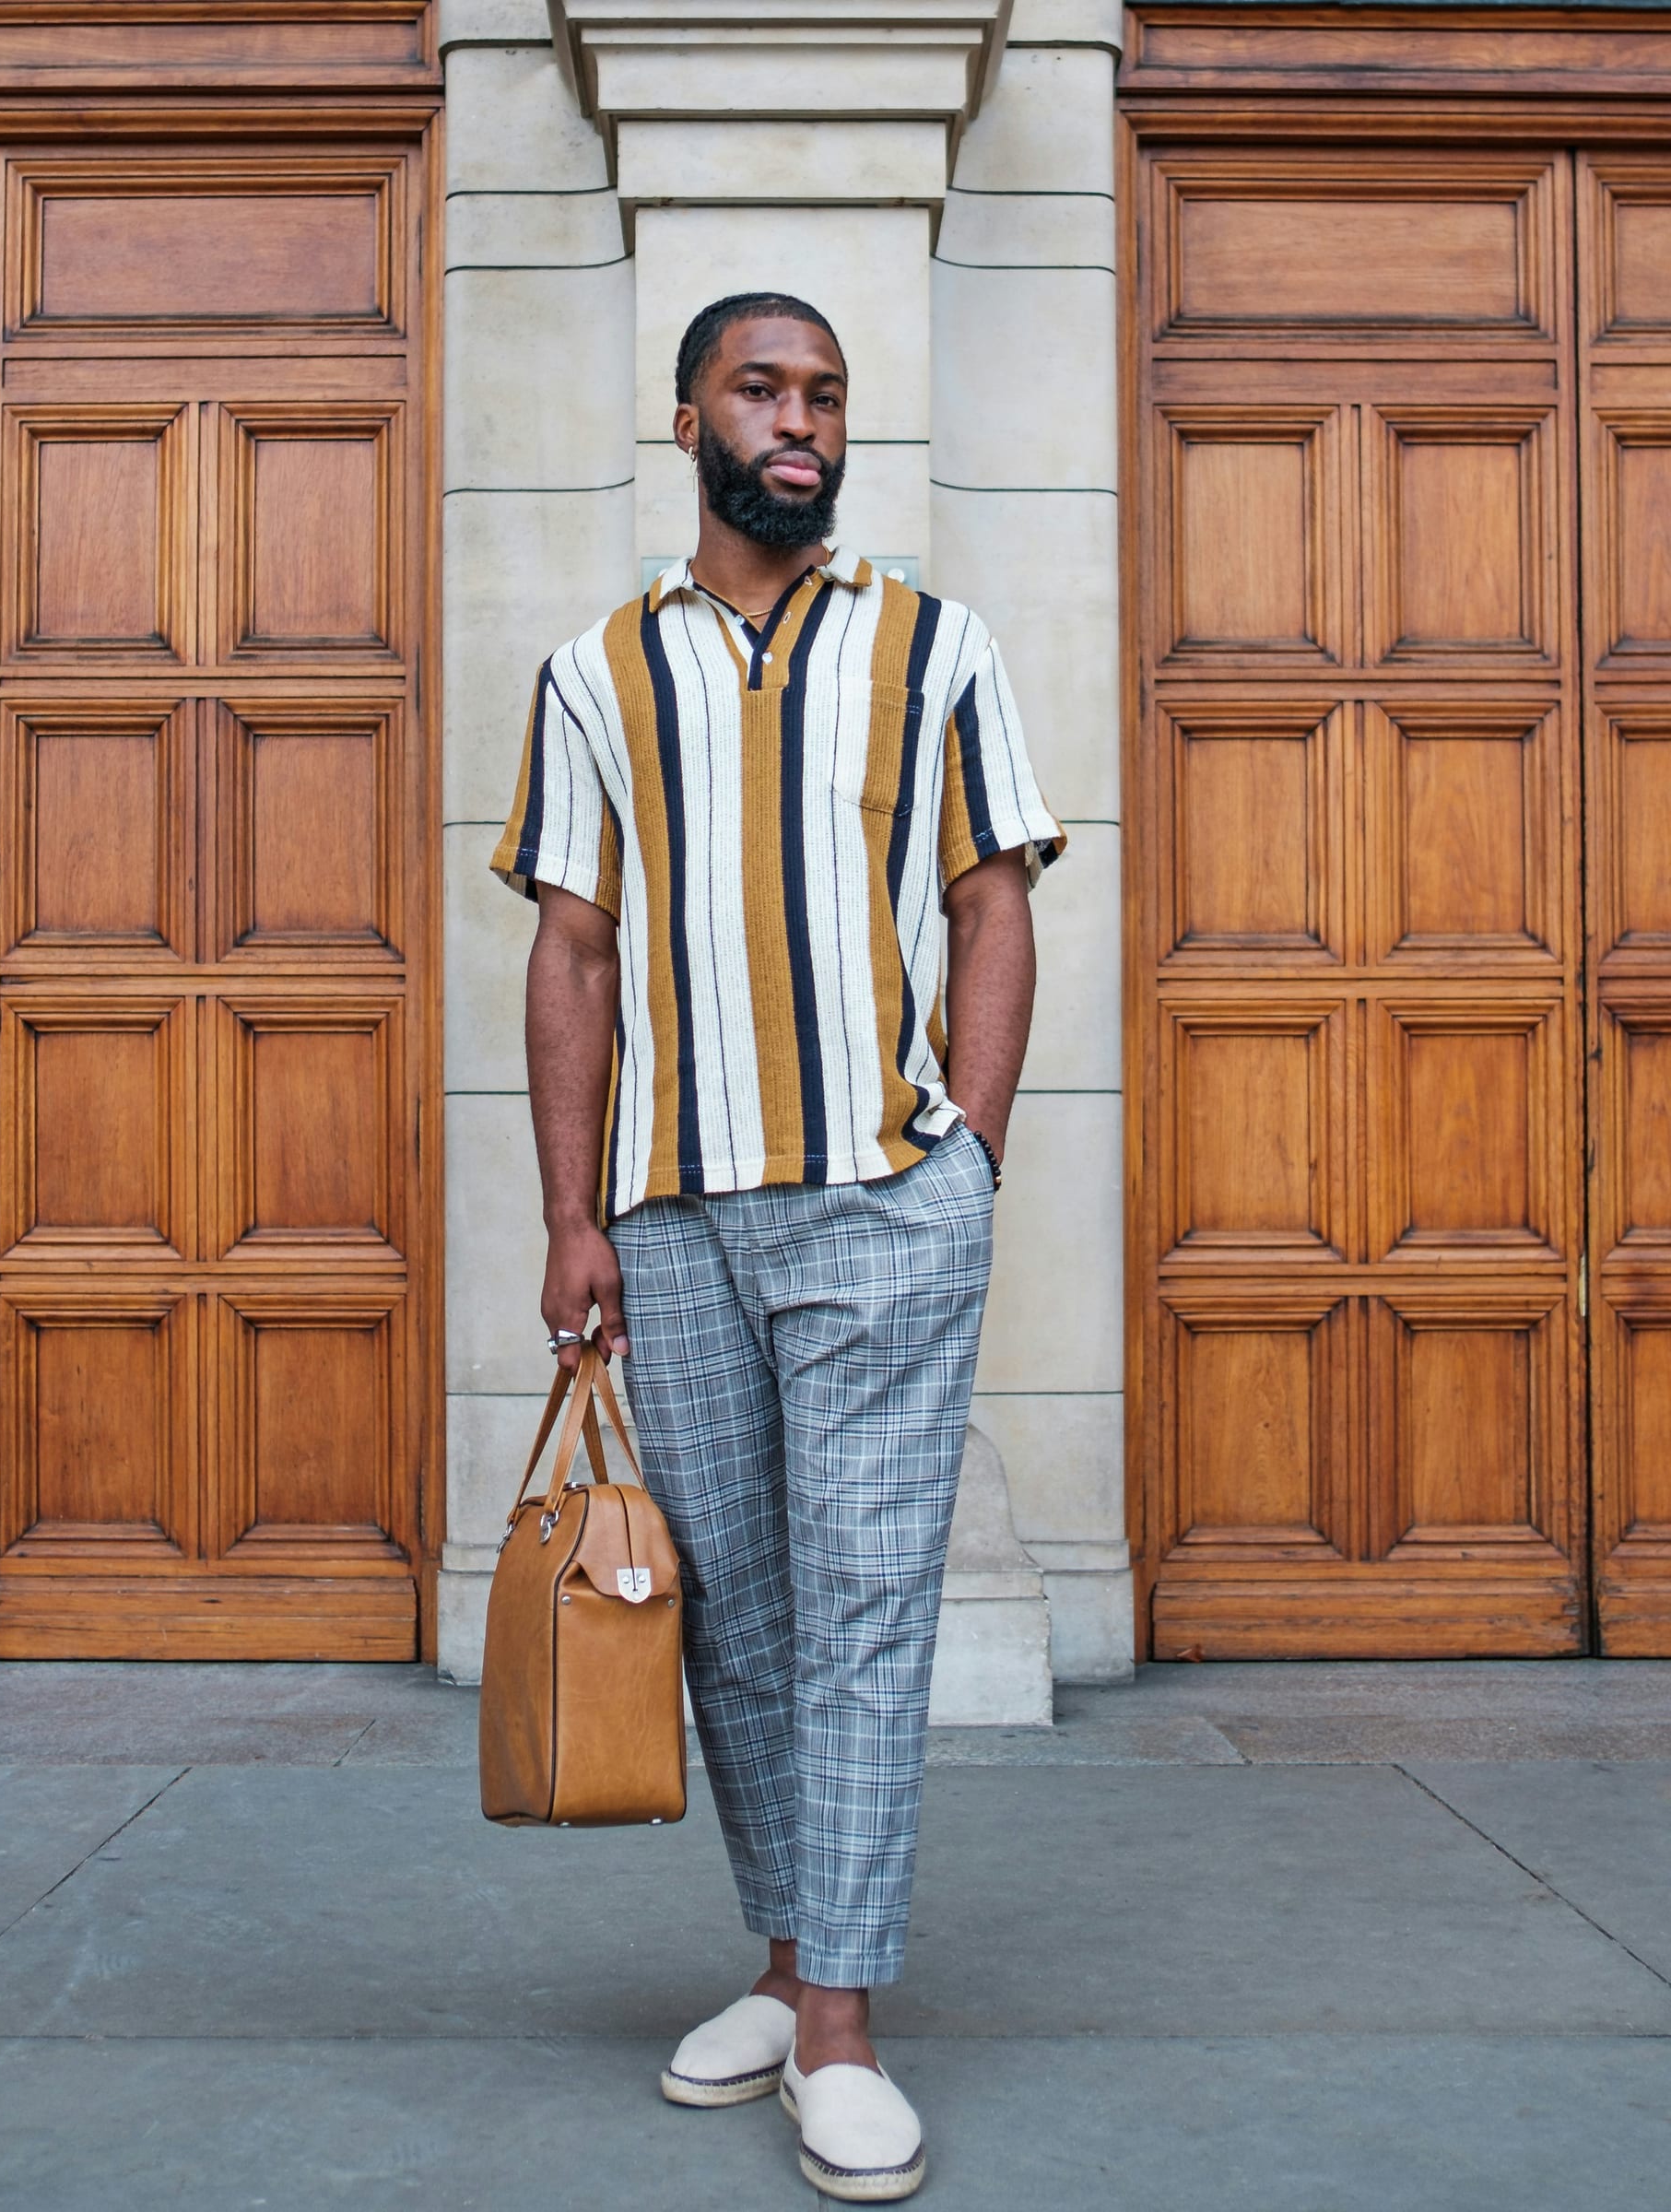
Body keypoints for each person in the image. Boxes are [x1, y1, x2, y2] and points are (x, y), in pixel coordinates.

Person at [490, 289, 1064, 2204]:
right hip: (670, 1217)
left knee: (864, 1608)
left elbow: (995, 905)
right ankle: (782, 1953)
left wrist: (965, 1156)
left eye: (825, 395)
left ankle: (840, 2026)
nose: (801, 420)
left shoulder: (938, 646)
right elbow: (570, 955)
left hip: (882, 1208)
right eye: (765, 387)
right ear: (690, 419)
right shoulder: (596, 674)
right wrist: (572, 1213)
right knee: (726, 1615)